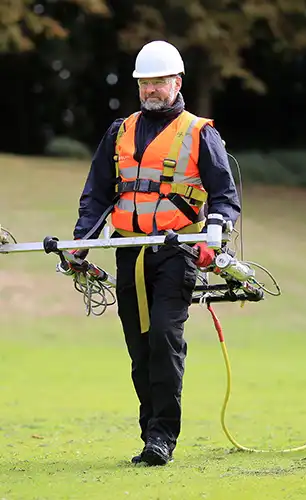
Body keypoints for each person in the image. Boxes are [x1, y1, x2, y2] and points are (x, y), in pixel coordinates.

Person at [71, 40, 241, 466]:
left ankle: (163, 436)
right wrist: (80, 242)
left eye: (158, 82)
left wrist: (213, 235)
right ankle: (150, 431)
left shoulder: (200, 132)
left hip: (176, 250)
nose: (150, 90)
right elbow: (96, 195)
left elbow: (224, 196)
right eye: (144, 83)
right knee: (139, 345)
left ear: (176, 83)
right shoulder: (120, 131)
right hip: (128, 250)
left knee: (165, 336)